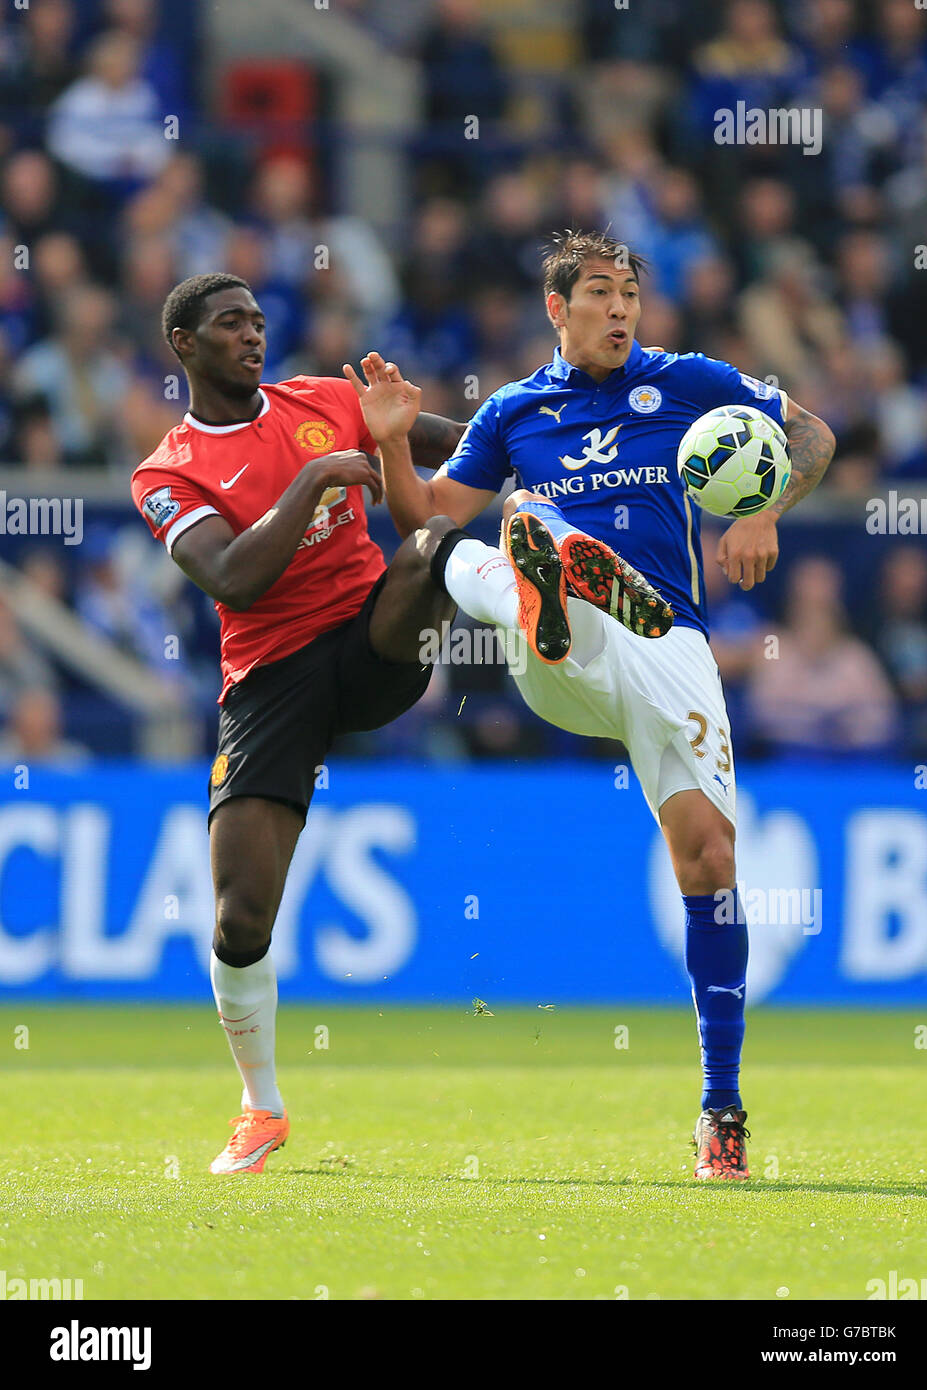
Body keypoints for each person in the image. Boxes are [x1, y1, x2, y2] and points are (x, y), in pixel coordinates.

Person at [346, 230, 837, 1180]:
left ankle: (721, 1111)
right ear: (557, 307)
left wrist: (761, 509)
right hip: (562, 650)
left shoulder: (688, 380)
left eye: (630, 295)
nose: (620, 310)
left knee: (711, 857)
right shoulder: (513, 410)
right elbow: (421, 522)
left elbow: (812, 434)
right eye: (601, 293)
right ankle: (548, 574)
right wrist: (394, 442)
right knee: (475, 544)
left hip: (668, 646)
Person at [131, 272, 465, 1174]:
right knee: (241, 919)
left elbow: (466, 451)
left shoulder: (324, 397)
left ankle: (533, 611)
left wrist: (549, 453)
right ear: (185, 346)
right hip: (269, 678)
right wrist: (316, 478)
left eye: (258, 321)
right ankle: (262, 1106)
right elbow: (235, 578)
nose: (252, 335)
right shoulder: (167, 471)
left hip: (368, 643)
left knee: (433, 544)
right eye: (230, 323)